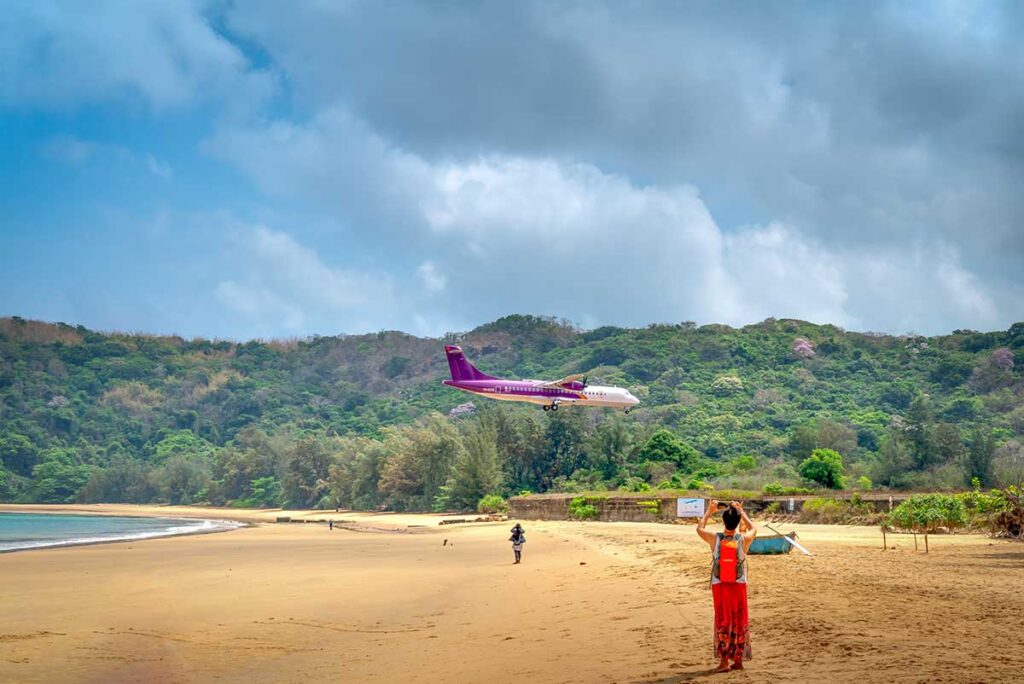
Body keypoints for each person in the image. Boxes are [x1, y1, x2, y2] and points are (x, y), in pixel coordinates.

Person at [696, 499, 757, 672]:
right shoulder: (743, 539)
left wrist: (709, 512)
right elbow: (754, 528)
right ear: (738, 521)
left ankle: (724, 662)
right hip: (738, 585)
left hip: (720, 585)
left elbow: (699, 529)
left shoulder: (715, 539)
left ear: (723, 521)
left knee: (723, 620)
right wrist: (742, 512)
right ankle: (738, 661)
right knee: (739, 620)